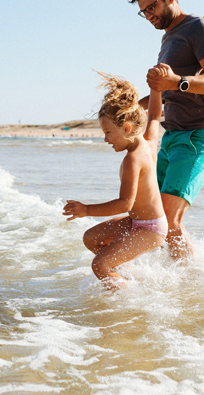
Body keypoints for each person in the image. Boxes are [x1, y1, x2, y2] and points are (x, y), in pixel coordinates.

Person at [129, 0, 204, 259]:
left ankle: (191, 289)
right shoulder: (168, 38)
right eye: (142, 12)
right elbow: (168, 90)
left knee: (170, 222)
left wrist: (177, 81)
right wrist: (133, 107)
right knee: (152, 220)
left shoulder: (199, 27)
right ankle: (170, 281)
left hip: (200, 134)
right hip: (171, 137)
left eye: (151, 7)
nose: (148, 16)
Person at [63, 72, 166, 290]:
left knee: (99, 265)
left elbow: (124, 204)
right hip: (137, 222)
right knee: (91, 238)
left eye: (108, 132)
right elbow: (155, 115)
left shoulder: (133, 160)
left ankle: (131, 300)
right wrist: (157, 89)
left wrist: (85, 209)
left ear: (126, 128)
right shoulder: (148, 142)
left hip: (150, 229)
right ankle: (128, 277)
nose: (105, 139)